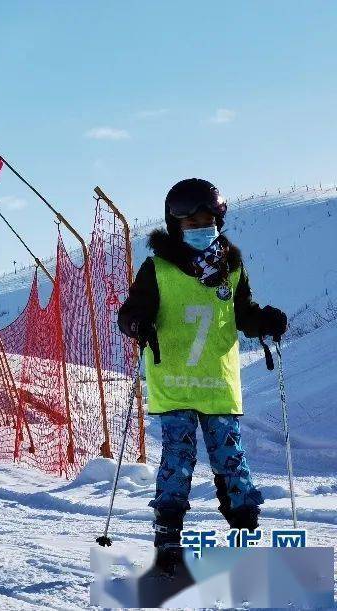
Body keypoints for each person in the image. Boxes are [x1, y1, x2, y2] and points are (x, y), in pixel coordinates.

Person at [118, 178, 288, 574]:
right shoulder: (157, 268)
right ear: (174, 222)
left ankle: (246, 537)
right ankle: (168, 540)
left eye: (206, 216)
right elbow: (131, 312)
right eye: (189, 219)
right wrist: (137, 324)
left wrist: (263, 320)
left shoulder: (230, 267)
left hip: (216, 381)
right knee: (178, 458)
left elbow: (241, 313)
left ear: (219, 218)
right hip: (175, 381)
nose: (199, 224)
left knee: (231, 459)